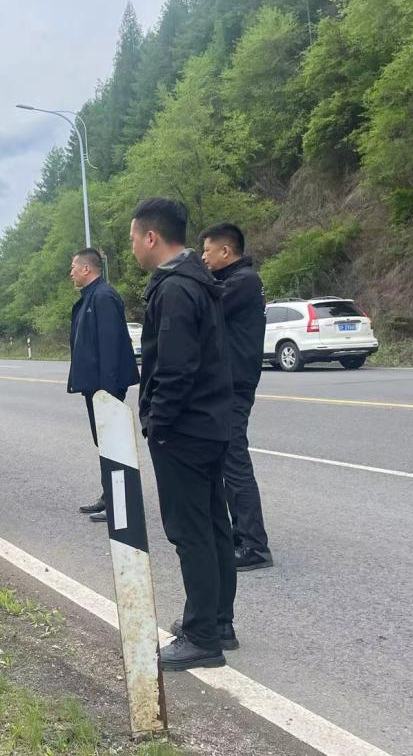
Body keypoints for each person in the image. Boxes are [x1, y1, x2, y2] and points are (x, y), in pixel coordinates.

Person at [130, 197, 236, 671]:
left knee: (190, 531)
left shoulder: (174, 289)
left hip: (185, 430)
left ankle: (201, 637)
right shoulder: (199, 280)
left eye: (134, 238)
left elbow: (174, 369)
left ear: (152, 237)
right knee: (213, 526)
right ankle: (218, 622)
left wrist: (158, 422)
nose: (133, 248)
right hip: (210, 423)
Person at [199, 223, 273, 571]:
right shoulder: (234, 280)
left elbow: (205, 311)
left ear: (226, 251)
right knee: (224, 458)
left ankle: (254, 545)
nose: (203, 258)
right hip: (227, 382)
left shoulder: (242, 282)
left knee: (234, 461)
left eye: (207, 251)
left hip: (234, 384)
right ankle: (239, 532)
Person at [66, 248, 140, 522]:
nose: (71, 272)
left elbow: (110, 346)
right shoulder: (91, 296)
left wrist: (107, 393)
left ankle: (121, 504)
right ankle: (109, 495)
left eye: (74, 267)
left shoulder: (104, 296)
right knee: (105, 443)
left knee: (113, 444)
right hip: (95, 385)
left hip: (105, 386)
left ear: (87, 269)